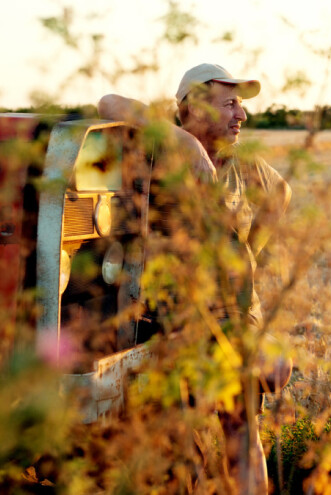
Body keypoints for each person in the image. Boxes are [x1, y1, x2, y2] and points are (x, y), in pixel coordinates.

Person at [99, 63, 293, 493]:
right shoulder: (159, 147)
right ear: (192, 109)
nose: (241, 115)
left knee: (242, 435)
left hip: (234, 320)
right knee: (175, 446)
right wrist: (181, 139)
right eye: (230, 105)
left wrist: (250, 260)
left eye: (241, 105)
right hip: (171, 326)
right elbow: (107, 103)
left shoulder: (244, 166)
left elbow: (281, 194)